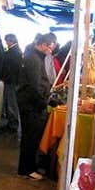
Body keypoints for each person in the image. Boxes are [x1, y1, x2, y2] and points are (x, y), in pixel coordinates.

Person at [16, 32, 57, 179]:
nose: (50, 51)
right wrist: (43, 101)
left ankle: (27, 168)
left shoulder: (36, 57)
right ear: (44, 45)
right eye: (50, 48)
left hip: (31, 102)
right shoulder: (33, 59)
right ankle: (27, 169)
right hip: (30, 104)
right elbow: (34, 85)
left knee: (31, 136)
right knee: (30, 137)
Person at [1, 33, 22, 133]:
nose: (6, 43)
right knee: (10, 103)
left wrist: (6, 77)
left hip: (11, 82)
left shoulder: (14, 52)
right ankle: (11, 123)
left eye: (7, 41)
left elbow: (12, 68)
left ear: (11, 41)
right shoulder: (16, 51)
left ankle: (13, 125)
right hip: (12, 81)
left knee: (11, 104)